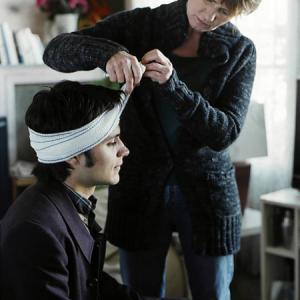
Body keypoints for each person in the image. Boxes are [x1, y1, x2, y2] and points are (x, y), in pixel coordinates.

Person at [43, 0, 262, 299]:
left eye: (224, 12)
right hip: (138, 188)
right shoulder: (142, 26)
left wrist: (174, 85)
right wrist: (109, 54)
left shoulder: (241, 50)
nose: (210, 17)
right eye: (209, 2)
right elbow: (55, 51)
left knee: (212, 293)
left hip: (208, 195)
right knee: (138, 294)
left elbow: (224, 133)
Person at [0, 80, 143, 300]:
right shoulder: (35, 231)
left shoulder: (72, 202)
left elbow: (95, 285)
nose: (125, 150)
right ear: (72, 156)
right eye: (111, 142)